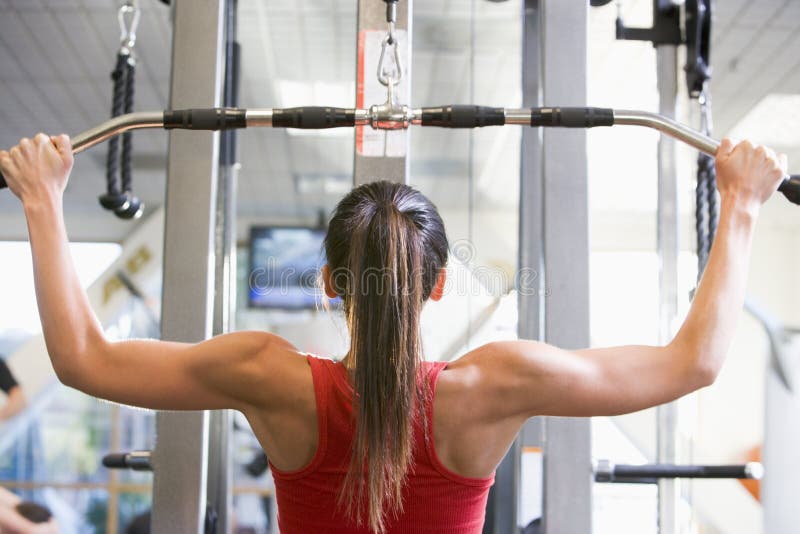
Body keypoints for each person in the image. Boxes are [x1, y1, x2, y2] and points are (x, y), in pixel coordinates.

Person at [0, 133, 786, 533]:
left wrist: (42, 198)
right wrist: (742, 205)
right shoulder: (493, 386)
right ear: (439, 284)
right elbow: (694, 363)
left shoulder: (266, 373)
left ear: (330, 282)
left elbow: (82, 359)